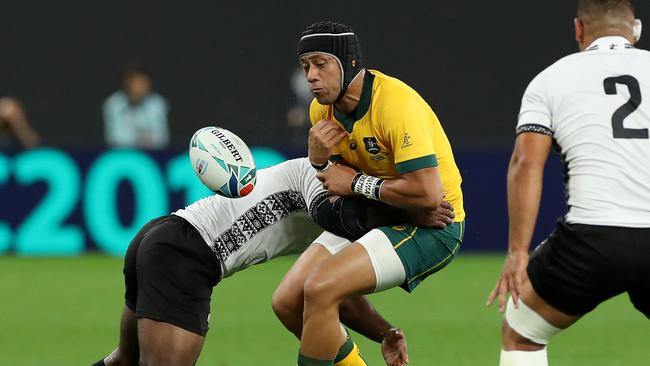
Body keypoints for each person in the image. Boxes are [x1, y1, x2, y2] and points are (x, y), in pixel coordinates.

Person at [93, 157, 455, 366]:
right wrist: (413, 210)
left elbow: (333, 294)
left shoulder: (353, 207)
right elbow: (332, 216)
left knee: (125, 361)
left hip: (163, 238)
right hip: (183, 253)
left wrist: (384, 334)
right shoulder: (324, 174)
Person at [272, 21, 466, 366]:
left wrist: (357, 184)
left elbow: (428, 195)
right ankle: (385, 338)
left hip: (433, 227)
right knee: (288, 301)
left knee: (319, 289)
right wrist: (319, 163)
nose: (311, 77)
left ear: (349, 63)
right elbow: (333, 186)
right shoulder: (322, 111)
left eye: (320, 64)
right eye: (305, 67)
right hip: (385, 212)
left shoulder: (395, 104)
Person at [486, 1, 650, 365]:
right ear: (635, 29)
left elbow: (526, 163)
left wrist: (517, 252)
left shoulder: (551, 78)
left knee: (522, 335)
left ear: (578, 29)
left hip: (594, 239)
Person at [103, 66, 170, 149]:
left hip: (153, 154)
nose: (143, 88)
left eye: (146, 83)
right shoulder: (113, 104)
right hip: (122, 154)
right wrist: (140, 139)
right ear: (127, 83)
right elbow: (114, 139)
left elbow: (162, 139)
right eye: (139, 83)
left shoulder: (157, 104)